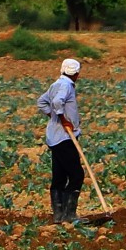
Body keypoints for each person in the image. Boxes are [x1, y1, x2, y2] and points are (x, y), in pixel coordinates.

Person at [37, 58, 86, 224]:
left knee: (59, 176)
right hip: (64, 137)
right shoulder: (65, 86)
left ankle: (59, 215)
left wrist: (52, 116)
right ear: (77, 74)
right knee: (77, 175)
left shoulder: (56, 84)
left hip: (54, 137)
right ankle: (69, 214)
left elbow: (41, 102)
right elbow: (58, 102)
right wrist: (62, 119)